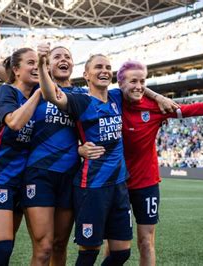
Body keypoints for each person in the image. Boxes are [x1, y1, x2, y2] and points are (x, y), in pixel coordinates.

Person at [0, 13, 178, 266]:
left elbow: (128, 89)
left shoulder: (80, 95)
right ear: (47, 65)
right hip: (38, 175)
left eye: (68, 57)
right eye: (57, 56)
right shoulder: (36, 89)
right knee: (43, 248)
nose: (63, 59)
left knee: (60, 245)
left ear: (76, 68)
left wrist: (157, 96)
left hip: (70, 177)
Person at [79, 60, 203, 266]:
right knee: (115, 244)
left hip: (146, 183)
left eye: (142, 82)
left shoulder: (156, 107)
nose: (138, 86)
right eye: (133, 81)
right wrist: (79, 148)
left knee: (146, 242)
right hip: (117, 184)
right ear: (119, 84)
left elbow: (195, 108)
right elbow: (83, 124)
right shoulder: (109, 101)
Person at [39, 53, 138, 266]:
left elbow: (138, 87)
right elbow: (51, 95)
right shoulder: (81, 101)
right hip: (92, 186)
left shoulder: (116, 97)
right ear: (86, 75)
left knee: (121, 253)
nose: (104, 70)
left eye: (108, 67)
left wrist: (159, 97)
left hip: (119, 185)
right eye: (98, 67)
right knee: (89, 252)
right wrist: (42, 66)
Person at [0, 47, 42, 265]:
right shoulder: (6, 92)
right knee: (0, 248)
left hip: (20, 181)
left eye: (38, 63)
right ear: (16, 69)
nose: (36, 67)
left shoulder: (35, 94)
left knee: (7, 248)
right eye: (30, 62)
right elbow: (14, 122)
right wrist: (40, 93)